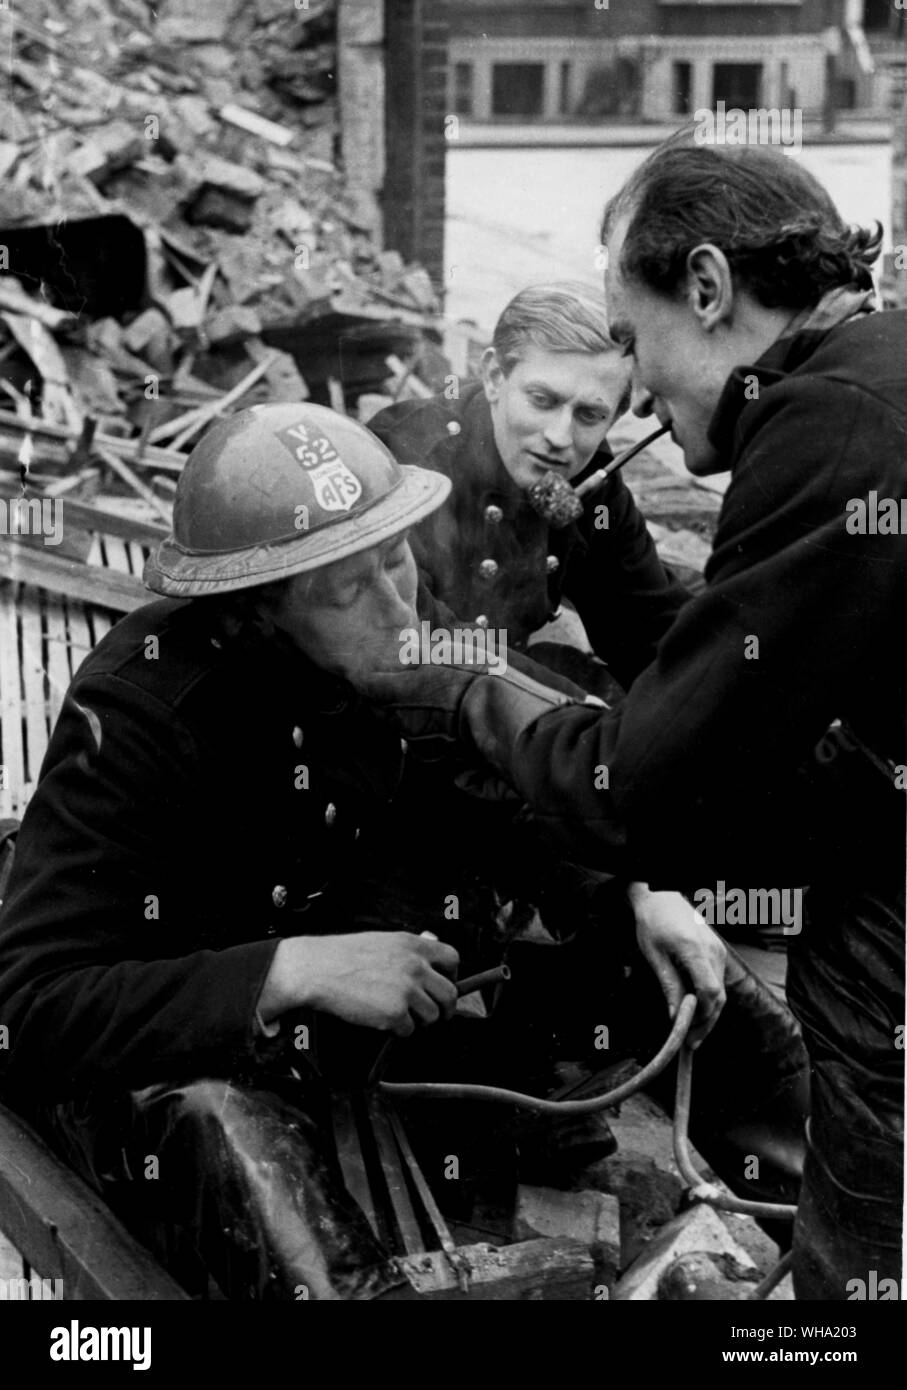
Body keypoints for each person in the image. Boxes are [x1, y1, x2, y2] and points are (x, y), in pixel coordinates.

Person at [0, 402, 805, 1300]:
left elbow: (499, 801)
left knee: (678, 960)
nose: (396, 605)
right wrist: (289, 970)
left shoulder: (401, 634)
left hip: (353, 1019)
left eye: (396, 559)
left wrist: (632, 893)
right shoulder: (140, 711)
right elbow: (30, 1009)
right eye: (349, 588)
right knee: (210, 1121)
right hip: (188, 1042)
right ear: (253, 613)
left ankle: (838, 1216)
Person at [359, 140, 906, 1301]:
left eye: (625, 370)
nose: (628, 402)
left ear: (706, 289)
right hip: (427, 854)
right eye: (545, 398)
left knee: (854, 1232)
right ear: (488, 376)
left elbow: (659, 709)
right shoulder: (404, 472)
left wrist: (472, 694)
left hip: (814, 909)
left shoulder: (827, 427)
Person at [369, 282, 690, 701]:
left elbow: (647, 622)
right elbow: (417, 641)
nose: (560, 437)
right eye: (542, 400)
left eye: (590, 415)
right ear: (494, 377)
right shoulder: (403, 459)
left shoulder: (592, 480)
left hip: (495, 704)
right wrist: (565, 704)